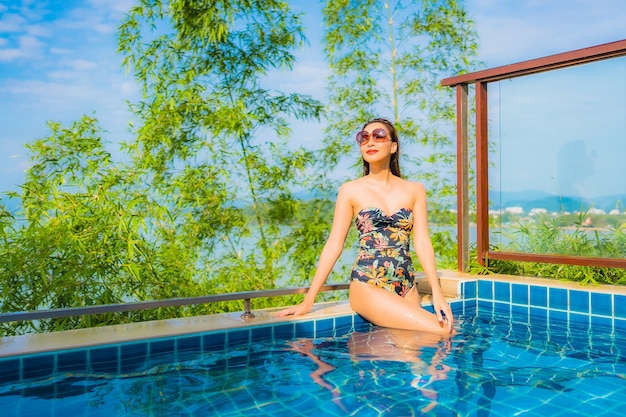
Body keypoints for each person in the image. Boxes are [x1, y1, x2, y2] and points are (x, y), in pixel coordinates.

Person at [277, 117, 453, 334]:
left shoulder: (414, 190)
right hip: (368, 283)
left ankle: (365, 353)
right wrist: (308, 300)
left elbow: (422, 241)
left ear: (393, 146)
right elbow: (334, 245)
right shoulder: (351, 190)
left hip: (406, 285)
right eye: (364, 137)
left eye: (379, 136)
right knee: (443, 330)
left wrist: (437, 291)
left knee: (411, 356)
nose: (370, 142)